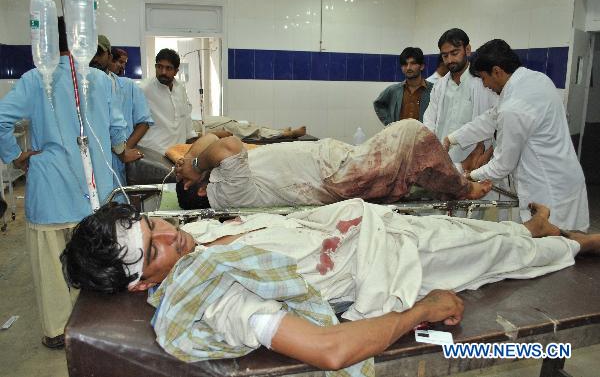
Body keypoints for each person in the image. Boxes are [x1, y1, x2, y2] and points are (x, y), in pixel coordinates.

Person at [61, 199, 600, 372]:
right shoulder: (214, 298)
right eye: (152, 249)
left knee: (478, 231)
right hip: (390, 258)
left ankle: (533, 226)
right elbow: (330, 350)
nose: (168, 236)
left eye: (153, 223)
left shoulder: (191, 237)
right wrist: (423, 310)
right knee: (503, 255)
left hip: (365, 227)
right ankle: (577, 242)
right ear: (137, 286)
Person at [0, 17, 130, 349]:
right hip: (93, 189)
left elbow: (2, 117)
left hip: (52, 189)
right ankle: (93, 325)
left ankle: (59, 331)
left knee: (51, 263)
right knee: (94, 257)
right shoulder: (101, 81)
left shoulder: (35, 79)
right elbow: (118, 131)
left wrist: (16, 155)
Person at [174, 119, 493, 210]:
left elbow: (214, 135)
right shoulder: (228, 195)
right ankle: (464, 187)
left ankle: (460, 180)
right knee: (412, 135)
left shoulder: (215, 179)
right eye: (194, 180)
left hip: (330, 165)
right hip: (334, 176)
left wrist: (191, 163)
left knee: (409, 159)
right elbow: (226, 146)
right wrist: (197, 163)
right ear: (200, 192)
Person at [444, 39, 589, 231]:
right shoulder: (537, 80)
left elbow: (502, 165)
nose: (485, 85)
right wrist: (451, 139)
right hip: (565, 179)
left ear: (497, 71)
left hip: (547, 191)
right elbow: (490, 119)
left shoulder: (514, 107)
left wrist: (468, 176)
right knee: (571, 244)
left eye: (483, 78)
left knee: (557, 249)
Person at [423, 29, 498, 164]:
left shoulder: (484, 83)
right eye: (445, 56)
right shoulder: (439, 86)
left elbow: (494, 122)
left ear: (467, 50)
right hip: (442, 161)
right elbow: (429, 120)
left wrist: (488, 152)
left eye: (454, 53)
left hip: (474, 162)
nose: (450, 60)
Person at [90, 35, 153, 185]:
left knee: (118, 202)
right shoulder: (78, 87)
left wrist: (123, 151)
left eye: (99, 54)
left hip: (118, 164)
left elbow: (144, 121)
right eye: (91, 54)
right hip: (89, 161)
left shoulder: (128, 86)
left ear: (109, 56)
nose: (95, 59)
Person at [138, 48, 197, 155]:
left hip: (178, 152)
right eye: (159, 67)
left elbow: (186, 117)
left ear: (176, 71)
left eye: (168, 68)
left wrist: (192, 140)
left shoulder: (180, 87)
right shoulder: (143, 89)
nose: (163, 72)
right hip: (153, 152)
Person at [373, 47, 433, 124]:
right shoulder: (394, 90)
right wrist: (389, 124)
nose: (408, 68)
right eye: (405, 64)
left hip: (424, 135)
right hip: (399, 135)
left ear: (422, 66)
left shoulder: (434, 90)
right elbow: (378, 104)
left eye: (413, 63)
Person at [193, 116, 307, 140]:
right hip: (204, 129)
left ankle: (280, 132)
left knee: (248, 126)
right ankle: (286, 134)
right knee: (248, 130)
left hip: (202, 122)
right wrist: (217, 135)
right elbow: (195, 136)